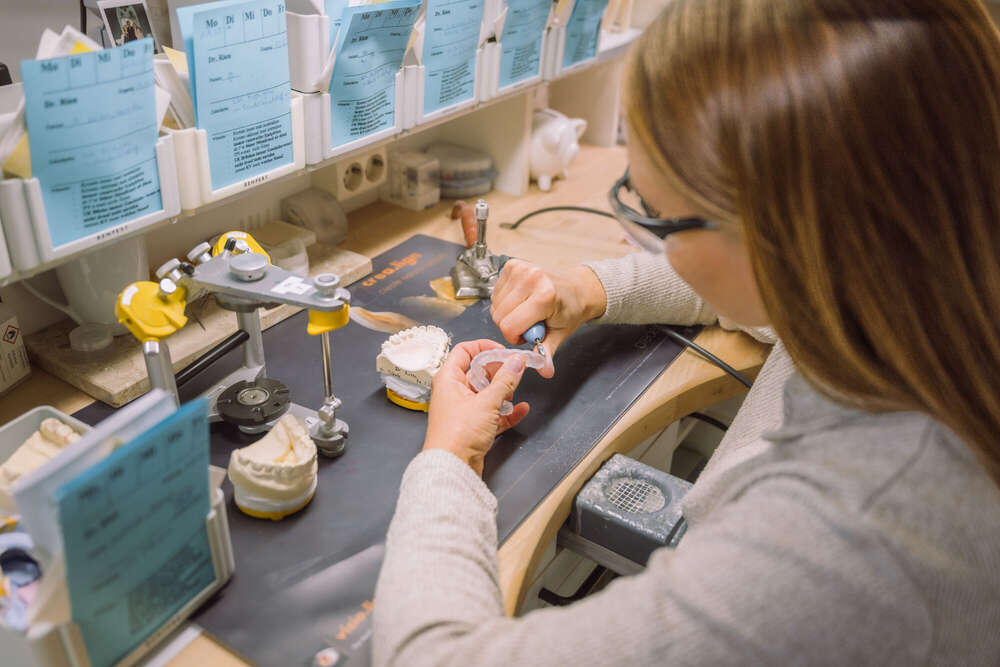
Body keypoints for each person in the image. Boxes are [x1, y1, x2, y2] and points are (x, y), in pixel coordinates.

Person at [373, 0, 1000, 664]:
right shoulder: (919, 278)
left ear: (787, 235)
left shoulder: (848, 536)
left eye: (657, 219)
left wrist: (446, 460)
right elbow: (759, 294)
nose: (631, 235)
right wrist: (591, 289)